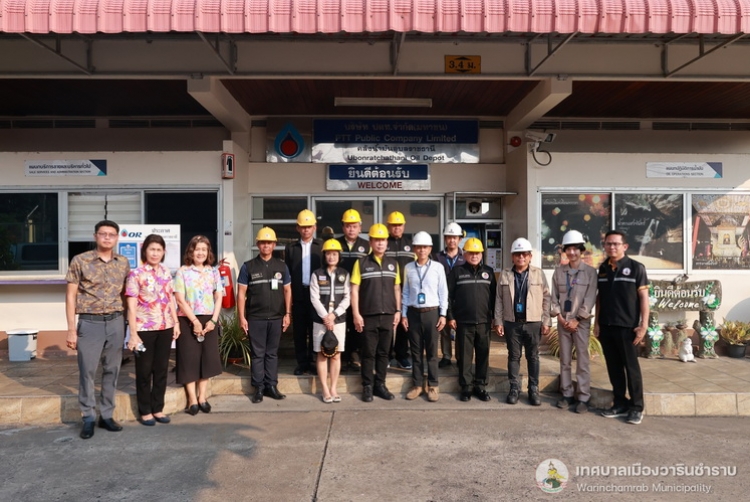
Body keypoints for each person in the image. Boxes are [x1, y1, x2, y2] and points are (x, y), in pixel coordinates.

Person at [65, 220, 130, 439]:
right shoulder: (80, 260)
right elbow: (70, 296)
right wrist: (71, 329)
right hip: (90, 323)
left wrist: (128, 324)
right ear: (95, 236)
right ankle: (88, 417)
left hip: (116, 321)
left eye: (112, 234)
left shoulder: (123, 263)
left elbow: (126, 295)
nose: (107, 237)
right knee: (88, 371)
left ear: (117, 238)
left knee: (112, 369)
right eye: (103, 234)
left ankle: (107, 415)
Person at [125, 234, 180, 426]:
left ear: (163, 252)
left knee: (161, 369)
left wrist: (176, 322)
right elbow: (131, 306)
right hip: (144, 329)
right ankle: (145, 411)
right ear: (145, 251)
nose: (155, 253)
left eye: (158, 250)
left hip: (165, 327)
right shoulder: (136, 274)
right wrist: (133, 334)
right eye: (152, 249)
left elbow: (170, 298)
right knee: (144, 370)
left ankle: (158, 408)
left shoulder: (166, 272)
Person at [595, 230, 649, 425]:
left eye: (615, 244)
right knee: (614, 368)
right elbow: (599, 298)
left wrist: (643, 325)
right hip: (607, 326)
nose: (612, 247)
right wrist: (597, 323)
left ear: (624, 246)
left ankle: (636, 407)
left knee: (631, 368)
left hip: (628, 328)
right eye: (608, 243)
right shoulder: (603, 268)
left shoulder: (636, 268)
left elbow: (644, 298)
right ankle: (620, 403)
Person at [237, 227, 292, 404]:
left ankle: (271, 386)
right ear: (258, 244)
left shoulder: (282, 266)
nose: (266, 245)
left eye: (269, 242)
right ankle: (258, 388)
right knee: (258, 354)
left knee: (272, 354)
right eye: (262, 243)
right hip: (256, 317)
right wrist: (242, 317)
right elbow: (241, 294)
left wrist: (287, 314)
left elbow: (287, 290)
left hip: (276, 317)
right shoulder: (248, 266)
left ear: (274, 245)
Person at [494, 237, 551, 406]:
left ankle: (533, 389)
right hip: (512, 322)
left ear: (530, 256)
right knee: (514, 356)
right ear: (512, 257)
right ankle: (514, 388)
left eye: (524, 254)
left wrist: (546, 321)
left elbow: (547, 298)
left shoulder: (538, 273)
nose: (521, 257)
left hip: (533, 322)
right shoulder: (505, 274)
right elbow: (498, 299)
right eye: (517, 254)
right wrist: (498, 321)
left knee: (533, 356)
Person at [351, 223, 401, 402]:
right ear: (370, 242)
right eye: (376, 240)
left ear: (387, 242)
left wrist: (398, 310)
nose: (380, 243)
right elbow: (354, 290)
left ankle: (380, 385)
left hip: (388, 315)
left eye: (383, 240)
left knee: (384, 353)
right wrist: (356, 314)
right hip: (368, 316)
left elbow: (396, 288)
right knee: (368, 353)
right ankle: (367, 386)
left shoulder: (393, 264)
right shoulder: (361, 263)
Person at [174, 235, 223, 416]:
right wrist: (194, 321)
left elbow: (219, 296)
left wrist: (213, 320)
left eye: (204, 249)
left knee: (206, 359)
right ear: (191, 251)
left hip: (209, 320)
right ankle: (192, 399)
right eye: (197, 249)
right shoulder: (182, 272)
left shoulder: (214, 272)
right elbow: (180, 299)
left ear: (208, 252)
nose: (200, 253)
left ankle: (202, 397)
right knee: (188, 359)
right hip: (187, 319)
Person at [550, 230, 597, 414]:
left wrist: (577, 319)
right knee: (565, 360)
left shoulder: (590, 273)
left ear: (581, 250)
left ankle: (583, 397)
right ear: (564, 251)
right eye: (568, 249)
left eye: (575, 249)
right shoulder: (558, 272)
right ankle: (567, 393)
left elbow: (590, 298)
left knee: (582, 361)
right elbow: (554, 298)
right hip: (563, 322)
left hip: (581, 324)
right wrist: (560, 318)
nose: (572, 252)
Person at [447, 238, 496, 402]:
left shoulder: (489, 272)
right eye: (471, 253)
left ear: (482, 254)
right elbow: (448, 296)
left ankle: (480, 386)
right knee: (465, 357)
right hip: (463, 322)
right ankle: (466, 387)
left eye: (477, 253)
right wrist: (451, 317)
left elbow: (494, 298)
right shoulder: (456, 272)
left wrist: (495, 318)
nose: (474, 256)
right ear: (465, 254)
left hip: (484, 323)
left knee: (483, 355)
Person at [401, 231, 448, 402]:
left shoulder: (437, 267)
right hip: (413, 313)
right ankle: (417, 385)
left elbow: (443, 292)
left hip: (432, 313)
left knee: (432, 352)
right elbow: (406, 292)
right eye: (419, 247)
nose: (422, 250)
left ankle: (433, 385)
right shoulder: (408, 268)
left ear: (430, 249)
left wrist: (443, 314)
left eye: (425, 247)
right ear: (414, 248)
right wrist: (404, 314)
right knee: (416, 352)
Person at [310, 239, 351, 403]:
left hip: (338, 320)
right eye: (328, 254)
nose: (331, 257)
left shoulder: (344, 274)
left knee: (336, 355)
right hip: (320, 321)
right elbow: (314, 298)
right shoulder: (316, 274)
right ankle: (324, 389)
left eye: (334, 254)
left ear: (339, 256)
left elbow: (347, 298)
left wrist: (334, 315)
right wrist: (326, 317)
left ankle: (333, 388)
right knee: (322, 355)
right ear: (324, 255)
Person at [285, 209, 323, 375]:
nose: (306, 230)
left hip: (317, 296)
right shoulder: (291, 248)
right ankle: (302, 363)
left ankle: (314, 362)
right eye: (303, 227)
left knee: (316, 330)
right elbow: (287, 274)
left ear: (314, 227)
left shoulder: (321, 246)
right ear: (298, 228)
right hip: (299, 294)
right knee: (299, 332)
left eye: (309, 226)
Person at [337, 208, 370, 371]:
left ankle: (355, 356)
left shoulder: (367, 245)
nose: (351, 229)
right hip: (339, 294)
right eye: (348, 226)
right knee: (341, 324)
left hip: (360, 293)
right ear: (343, 227)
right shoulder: (336, 244)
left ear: (360, 228)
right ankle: (342, 356)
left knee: (357, 325)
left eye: (354, 226)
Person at [433, 222, 466, 368]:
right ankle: (446, 355)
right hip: (442, 298)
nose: (452, 240)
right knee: (444, 328)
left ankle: (460, 356)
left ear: (460, 239)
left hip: (460, 298)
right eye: (449, 237)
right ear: (445, 238)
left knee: (460, 329)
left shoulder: (465, 257)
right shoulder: (437, 257)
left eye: (455, 237)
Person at [385, 210, 414, 369]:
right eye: (393, 225)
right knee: (388, 324)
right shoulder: (383, 243)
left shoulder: (411, 244)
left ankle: (402, 356)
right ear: (388, 226)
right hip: (387, 291)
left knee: (404, 325)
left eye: (399, 225)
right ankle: (387, 355)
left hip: (407, 291)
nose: (396, 228)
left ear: (404, 226)